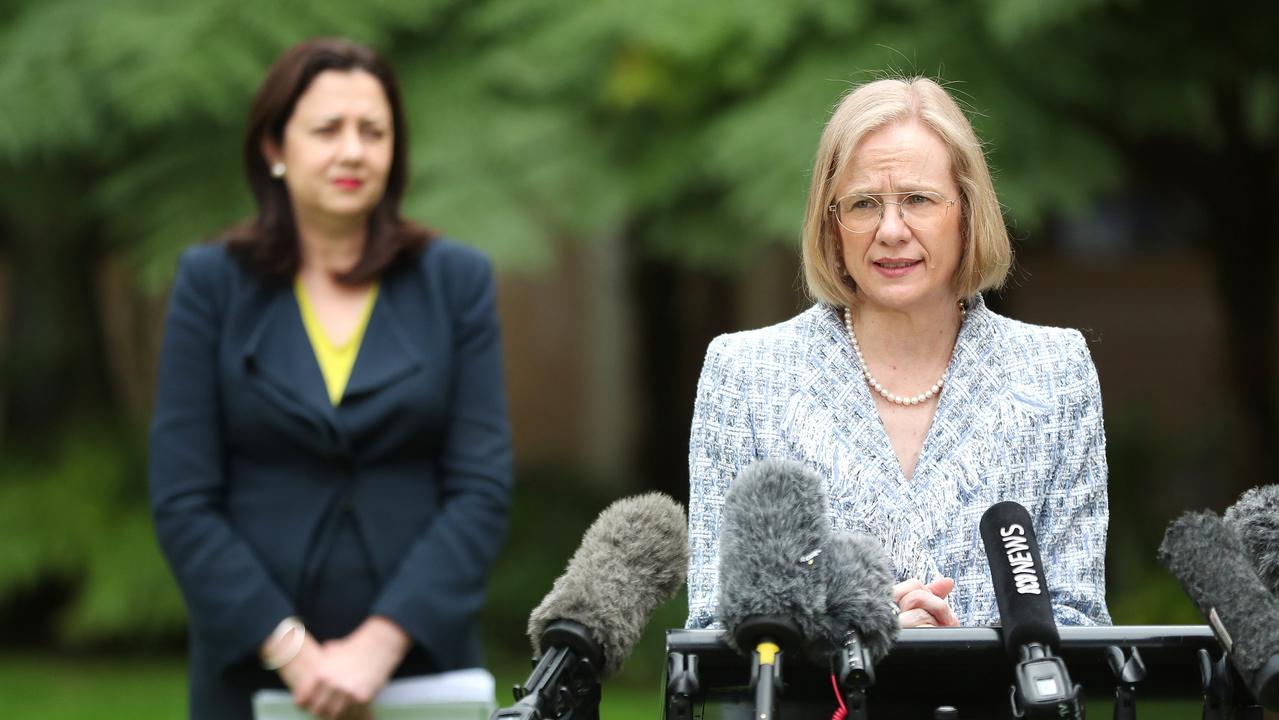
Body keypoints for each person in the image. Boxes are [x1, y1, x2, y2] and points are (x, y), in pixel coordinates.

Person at [149, 38, 511, 719]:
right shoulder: (210, 284)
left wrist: (378, 645)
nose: (353, 151)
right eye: (327, 129)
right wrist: (292, 652)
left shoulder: (455, 281)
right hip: (250, 667)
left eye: (373, 132)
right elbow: (183, 497)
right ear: (273, 147)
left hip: (420, 661)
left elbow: (480, 490)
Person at [686, 77, 1110, 631]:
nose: (890, 230)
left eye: (917, 199)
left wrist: (965, 655)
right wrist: (860, 636)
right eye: (863, 204)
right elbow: (714, 624)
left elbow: (1081, 619)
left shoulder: (1055, 371)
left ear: (967, 211)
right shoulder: (746, 376)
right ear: (831, 225)